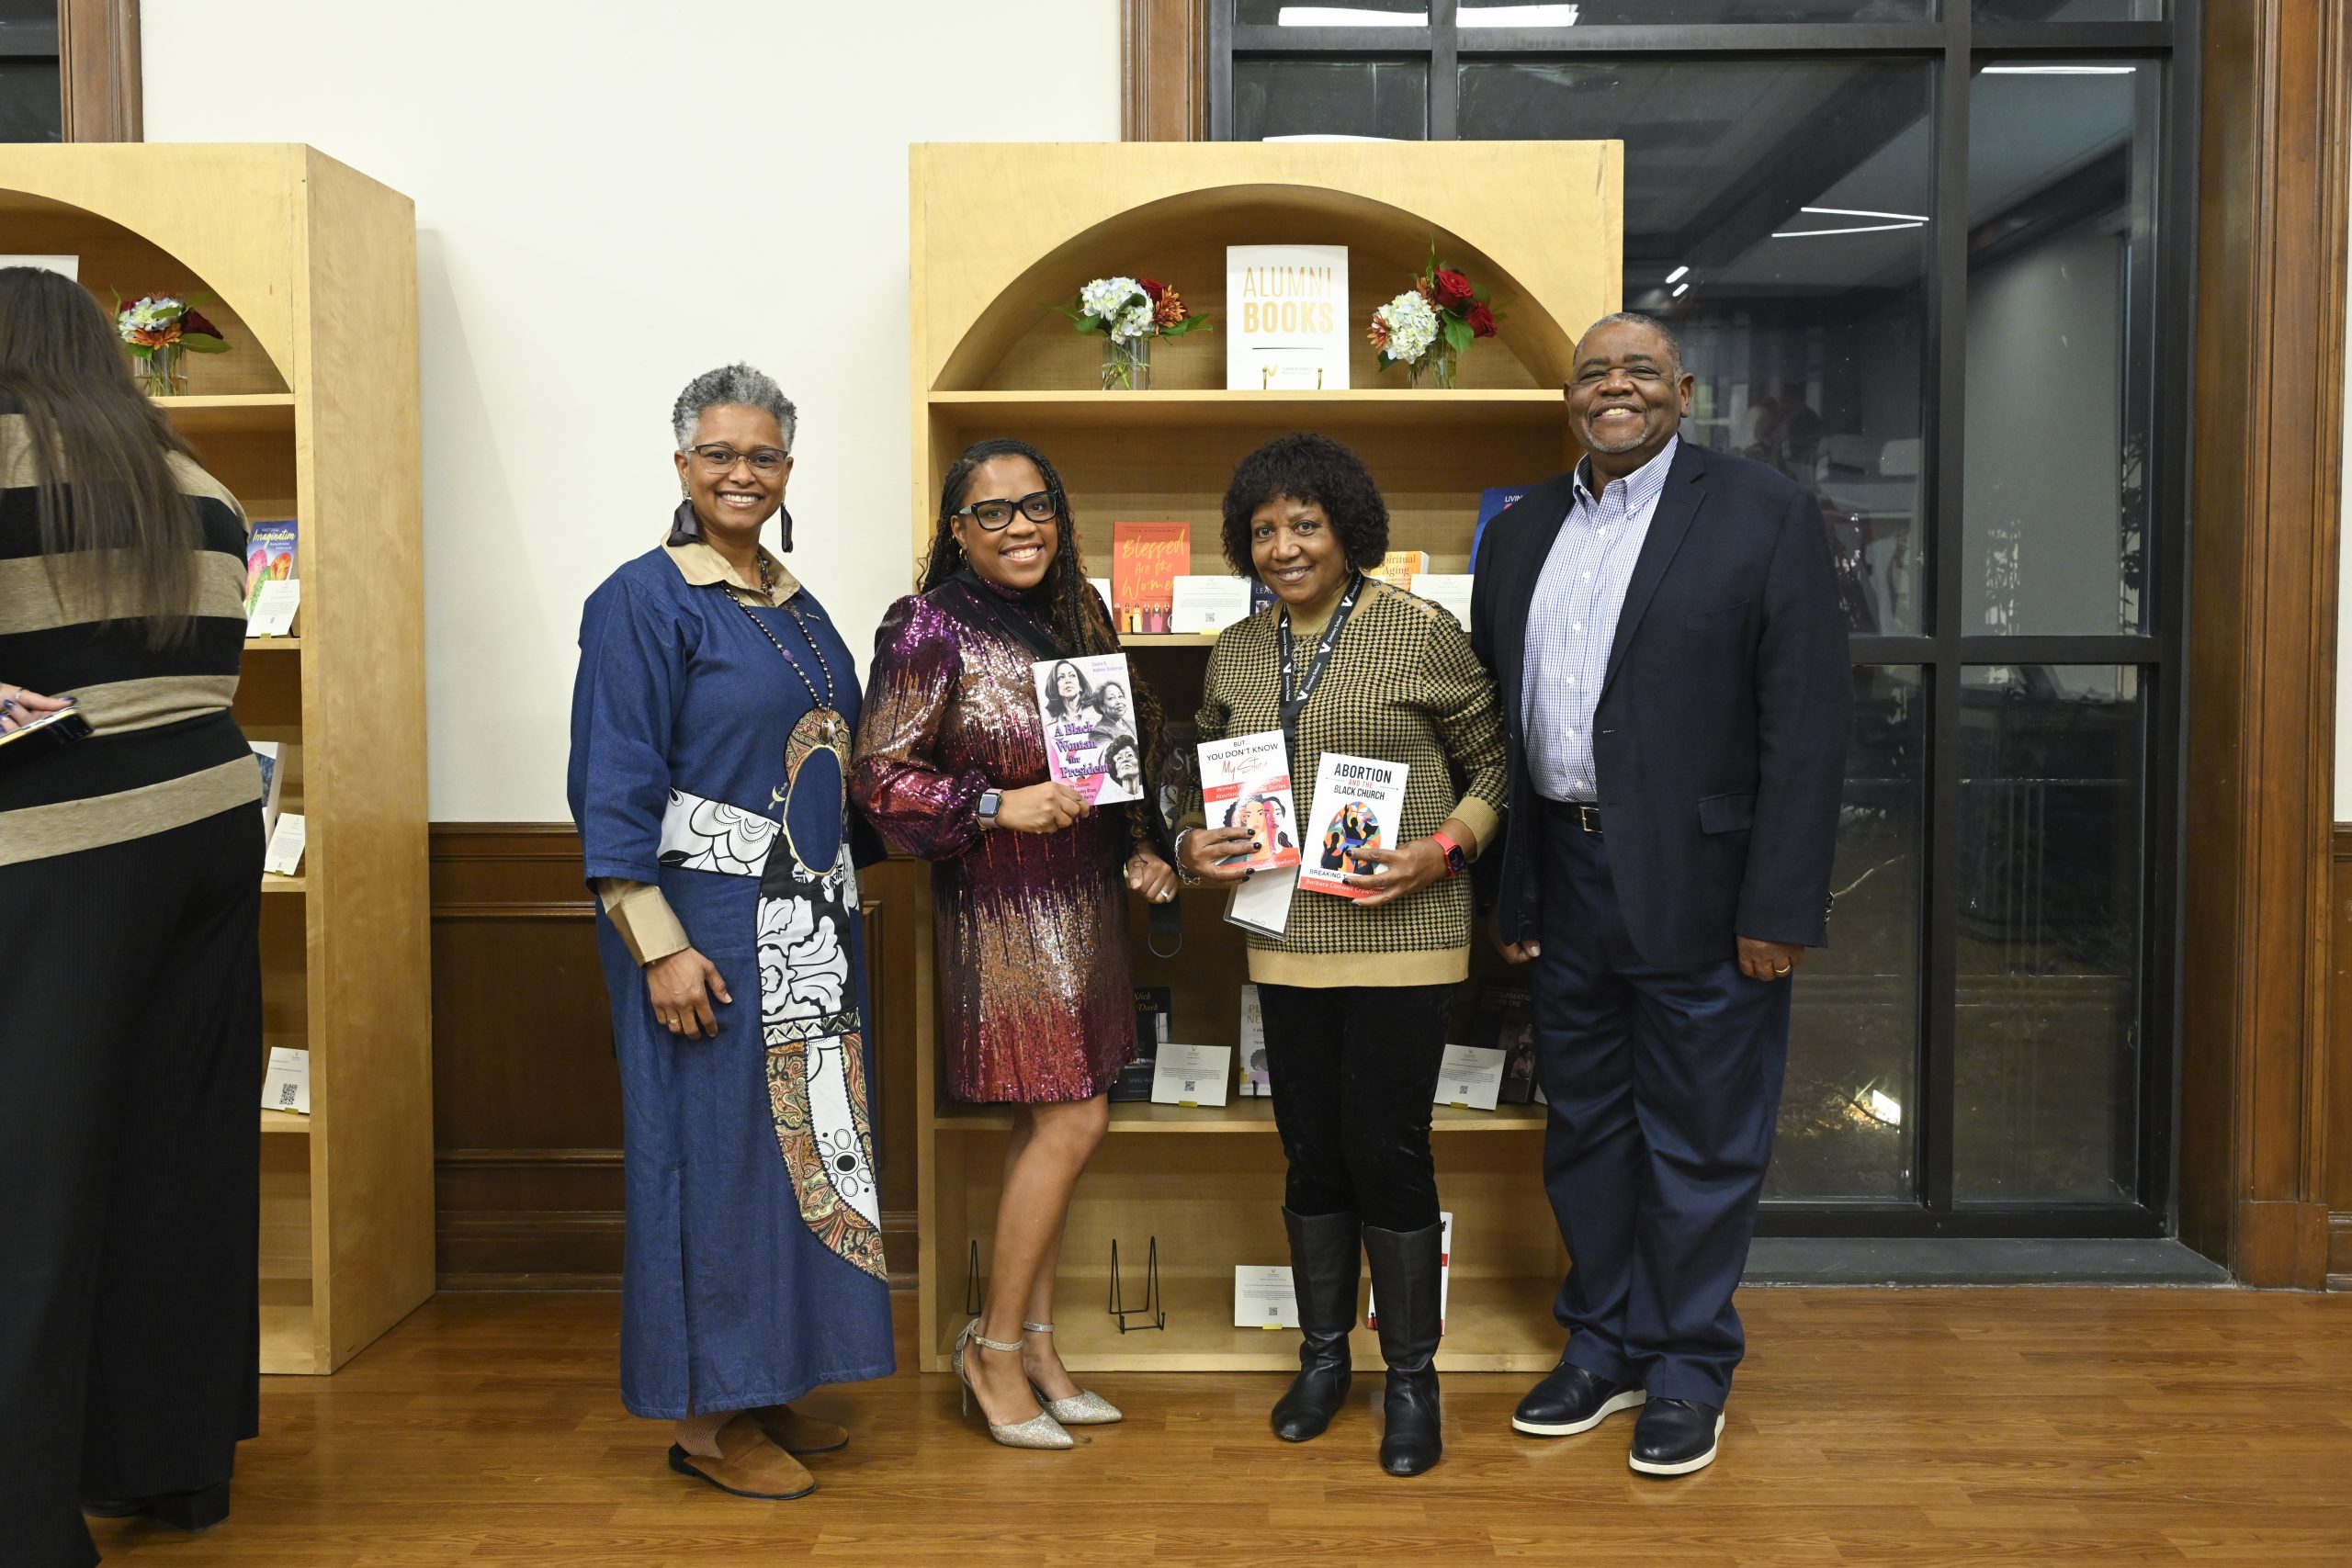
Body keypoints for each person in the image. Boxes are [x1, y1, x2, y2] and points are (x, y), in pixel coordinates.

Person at [1468, 313, 1850, 1478]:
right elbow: (1497, 717)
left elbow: (1807, 728)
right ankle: (1604, 1344)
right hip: (1568, 878)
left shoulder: (1760, 513)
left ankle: (1687, 1364)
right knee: (1583, 1128)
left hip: (1708, 886)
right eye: (1594, 374)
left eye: (1639, 371)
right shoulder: (1521, 528)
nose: (1615, 387)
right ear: (1569, 400)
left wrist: (1778, 907)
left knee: (1700, 1139)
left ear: (1682, 391)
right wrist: (1515, 890)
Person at [567, 364, 894, 1502]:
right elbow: (611, 782)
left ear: (787, 470)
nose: (740, 473)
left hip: (803, 928)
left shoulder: (794, 606)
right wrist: (656, 944)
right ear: (681, 467)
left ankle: (765, 1383)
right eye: (718, 454)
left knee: (792, 1164)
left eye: (761, 456)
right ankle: (705, 1422)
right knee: (710, 1167)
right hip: (703, 933)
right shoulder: (642, 599)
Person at [1177, 433, 1508, 1477]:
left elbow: (1495, 763)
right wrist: (1196, 841)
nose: (1283, 546)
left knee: (1389, 1149)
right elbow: (1204, 778)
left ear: (1347, 528)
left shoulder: (1419, 632)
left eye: (1304, 524)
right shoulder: (1236, 647)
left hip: (1406, 938)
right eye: (1264, 529)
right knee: (1312, 1152)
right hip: (1284, 940)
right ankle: (1324, 1361)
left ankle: (1412, 1378)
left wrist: (1442, 849)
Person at [0, 265, 265, 1566]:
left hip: (56, 842)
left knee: (31, 1181)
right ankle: (169, 1467)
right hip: (214, 822)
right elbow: (207, 662)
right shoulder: (194, 477)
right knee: (181, 1160)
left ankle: (24, 1518)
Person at [851, 436, 1179, 1450]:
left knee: (1048, 1131)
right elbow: (876, 775)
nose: (1020, 525)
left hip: (1084, 904)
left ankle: (1035, 1344)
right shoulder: (928, 625)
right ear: (956, 530)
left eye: (1035, 504)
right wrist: (993, 800)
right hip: (1001, 908)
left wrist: (1143, 848)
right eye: (991, 512)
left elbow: (1118, 757)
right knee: (1074, 1124)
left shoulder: (1082, 611)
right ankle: (990, 1351)